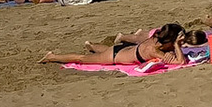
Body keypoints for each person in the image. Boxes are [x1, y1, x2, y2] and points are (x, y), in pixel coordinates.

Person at [42, 22, 190, 67]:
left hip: (124, 49)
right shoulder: (154, 50)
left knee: (105, 50)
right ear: (171, 40)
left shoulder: (156, 39)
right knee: (81, 59)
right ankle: (52, 56)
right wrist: (177, 46)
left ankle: (92, 45)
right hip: (114, 56)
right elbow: (180, 62)